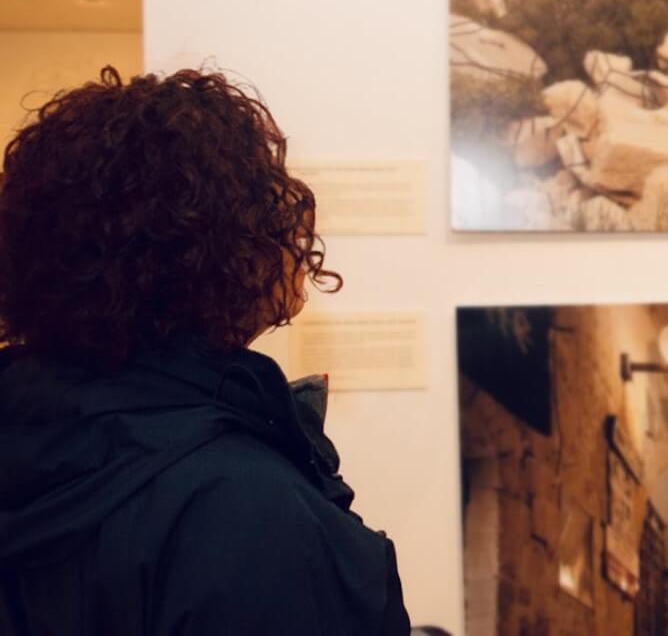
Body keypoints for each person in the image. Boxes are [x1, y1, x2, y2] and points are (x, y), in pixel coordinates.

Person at [0, 68, 411, 635]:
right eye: (263, 194)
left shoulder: (34, 429)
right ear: (204, 245)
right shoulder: (246, 510)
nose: (292, 218)